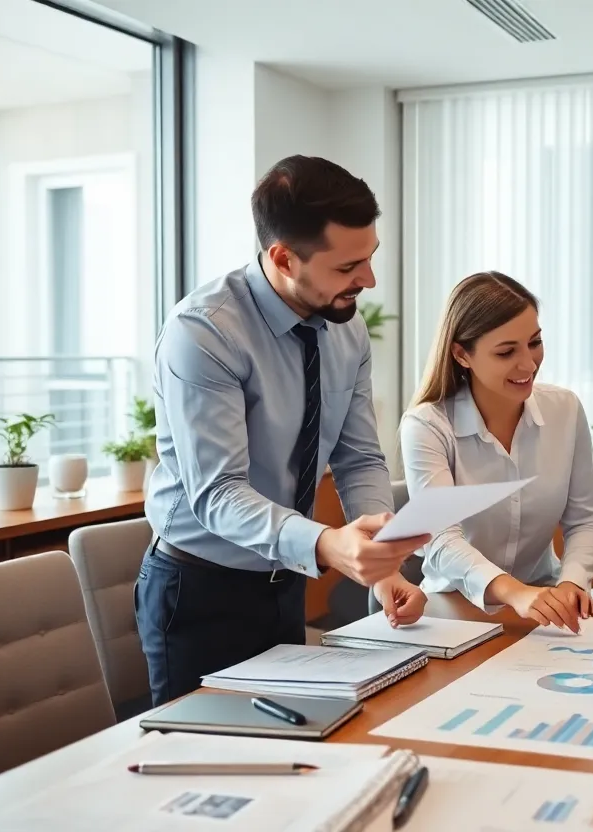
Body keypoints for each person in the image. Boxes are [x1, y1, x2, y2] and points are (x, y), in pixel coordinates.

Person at [136, 155, 430, 706]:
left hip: (284, 582)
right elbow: (217, 493)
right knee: (202, 762)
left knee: (288, 753)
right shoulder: (203, 333)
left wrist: (380, 560)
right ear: (283, 257)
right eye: (347, 268)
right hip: (199, 589)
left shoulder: (348, 329)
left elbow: (360, 457)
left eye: (369, 259)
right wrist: (327, 545)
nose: (367, 281)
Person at [399, 271, 593, 633]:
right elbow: (442, 540)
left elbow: (584, 519)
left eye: (535, 343)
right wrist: (515, 593)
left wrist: (572, 584)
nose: (528, 364)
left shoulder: (565, 410)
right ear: (462, 354)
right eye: (507, 352)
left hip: (542, 607)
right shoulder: (427, 425)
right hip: (452, 611)